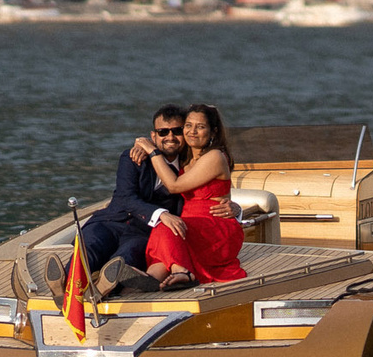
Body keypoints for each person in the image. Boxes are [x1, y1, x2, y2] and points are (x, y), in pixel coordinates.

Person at [73, 104, 230, 296]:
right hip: (111, 221)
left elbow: (213, 189)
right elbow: (126, 197)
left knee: (124, 259)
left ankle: (107, 289)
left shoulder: (189, 161)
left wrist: (235, 208)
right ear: (153, 136)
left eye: (177, 131)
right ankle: (65, 285)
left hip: (145, 231)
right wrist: (162, 214)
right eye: (163, 132)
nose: (170, 137)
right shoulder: (134, 157)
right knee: (88, 248)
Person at [138, 102, 247, 290]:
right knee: (169, 235)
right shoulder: (185, 156)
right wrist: (141, 148)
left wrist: (152, 151)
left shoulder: (215, 157)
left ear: (213, 132)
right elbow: (166, 145)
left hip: (216, 228)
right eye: (188, 125)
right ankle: (144, 282)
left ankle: (183, 272)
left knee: (166, 227)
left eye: (200, 127)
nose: (192, 131)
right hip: (193, 225)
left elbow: (174, 185)